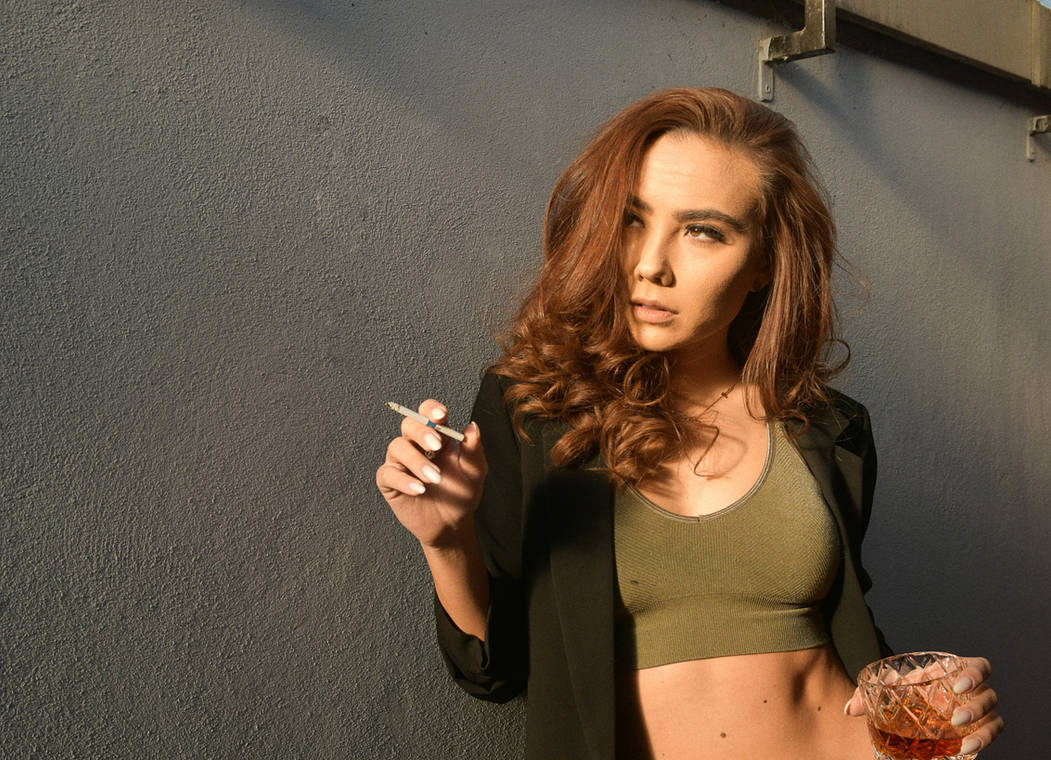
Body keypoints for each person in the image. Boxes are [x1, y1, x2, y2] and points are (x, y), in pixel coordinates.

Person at [375, 87, 1003, 759]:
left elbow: (846, 638)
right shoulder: (535, 410)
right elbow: (494, 671)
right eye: (631, 220)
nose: (651, 265)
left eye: (703, 231)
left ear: (764, 262)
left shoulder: (829, 429)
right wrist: (446, 541)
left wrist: (937, 701)